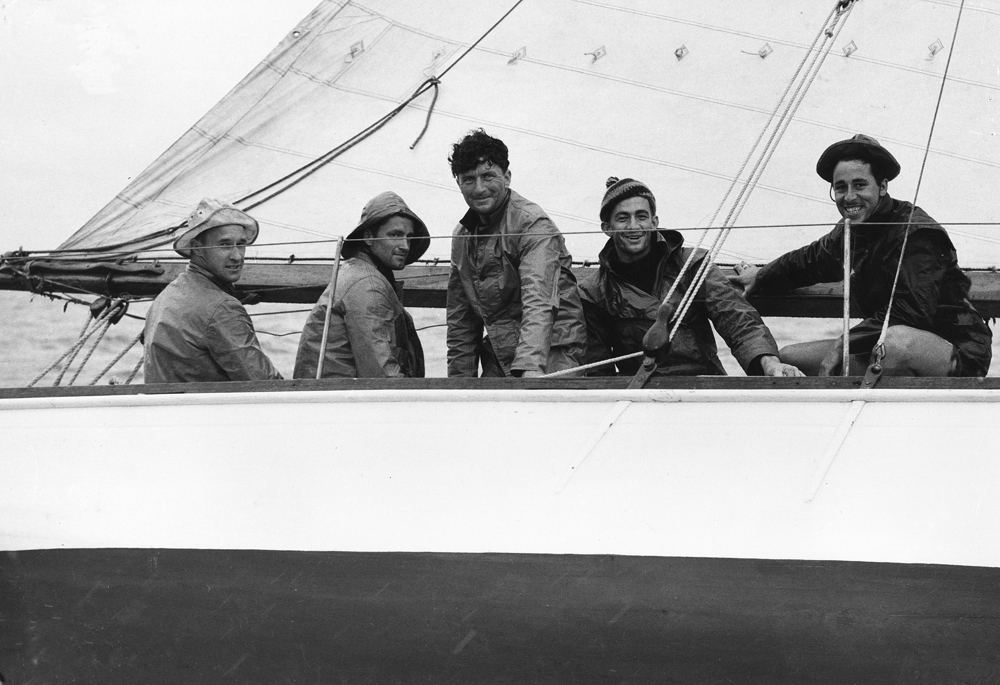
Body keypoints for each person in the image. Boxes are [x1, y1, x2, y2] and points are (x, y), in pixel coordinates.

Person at [731, 134, 992, 377]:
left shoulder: (918, 233)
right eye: (841, 187)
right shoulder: (849, 231)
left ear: (882, 186)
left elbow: (912, 312)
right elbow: (808, 261)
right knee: (790, 359)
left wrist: (845, 342)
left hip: (955, 351)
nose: (849, 197)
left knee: (895, 341)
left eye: (859, 185)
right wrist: (762, 275)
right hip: (881, 344)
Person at [579, 177, 803, 377]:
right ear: (607, 228)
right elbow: (597, 368)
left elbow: (736, 317)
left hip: (703, 383)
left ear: (654, 223)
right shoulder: (595, 291)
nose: (634, 226)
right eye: (622, 218)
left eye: (641, 216)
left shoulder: (691, 265)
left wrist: (768, 363)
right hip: (640, 393)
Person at [446, 129, 587, 377]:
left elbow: (539, 300)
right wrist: (459, 384)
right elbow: (461, 322)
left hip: (554, 350)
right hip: (501, 351)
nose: (479, 189)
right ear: (458, 183)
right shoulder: (461, 237)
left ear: (507, 177)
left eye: (488, 176)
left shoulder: (533, 224)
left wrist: (530, 368)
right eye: (468, 179)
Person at [143, 197, 282, 383]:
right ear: (196, 248)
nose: (237, 256)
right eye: (224, 245)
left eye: (241, 244)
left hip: (169, 409)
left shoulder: (167, 295)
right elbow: (266, 384)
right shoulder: (223, 308)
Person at [293, 192, 429, 379]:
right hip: (342, 401)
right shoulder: (368, 285)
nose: (405, 245)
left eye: (409, 236)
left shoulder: (358, 271)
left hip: (331, 397)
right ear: (368, 237)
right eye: (395, 234)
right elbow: (380, 374)